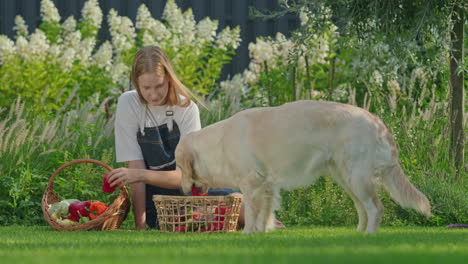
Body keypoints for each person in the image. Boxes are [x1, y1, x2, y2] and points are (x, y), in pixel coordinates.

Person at [107, 46, 244, 230]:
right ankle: (213, 217)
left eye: (159, 86)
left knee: (241, 204)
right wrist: (140, 227)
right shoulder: (128, 103)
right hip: (160, 203)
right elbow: (136, 166)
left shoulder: (186, 109)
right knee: (191, 219)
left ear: (169, 79)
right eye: (146, 88)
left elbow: (185, 177)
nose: (153, 95)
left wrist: (139, 174)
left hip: (192, 191)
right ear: (136, 83)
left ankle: (242, 216)